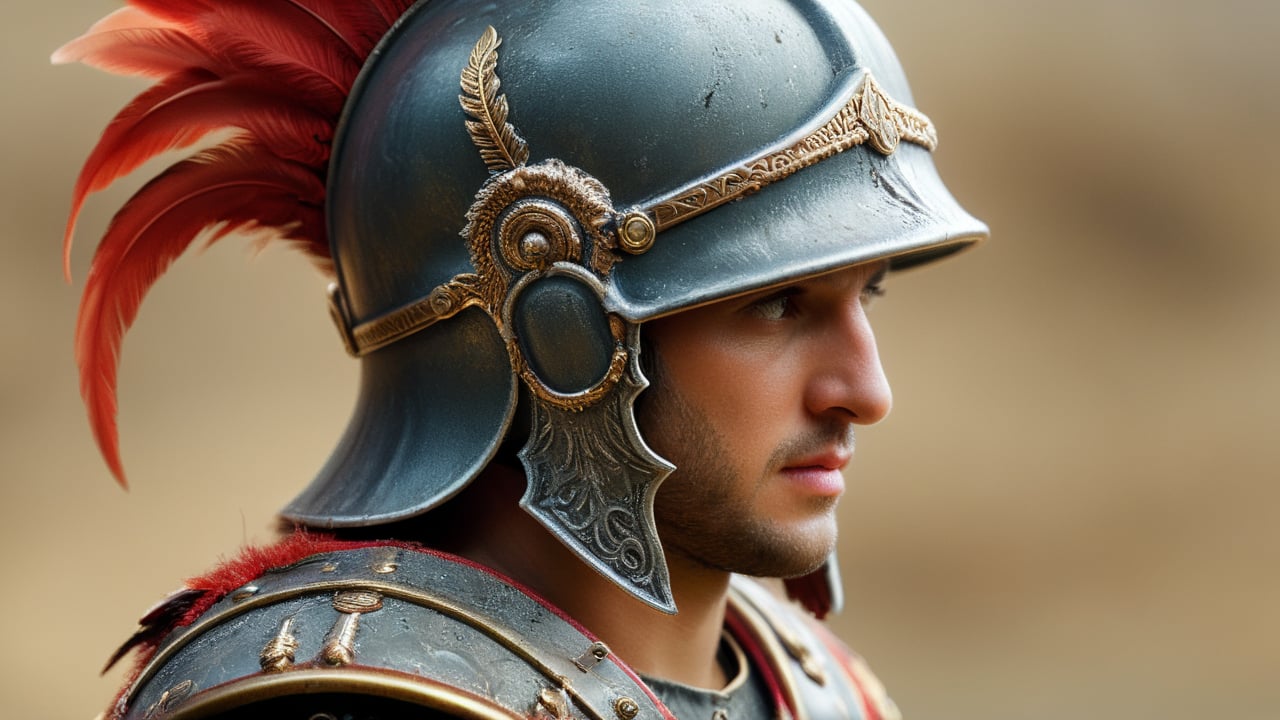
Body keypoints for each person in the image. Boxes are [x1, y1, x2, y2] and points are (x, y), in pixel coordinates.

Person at [57, 0, 987, 718]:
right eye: (776, 303)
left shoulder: (822, 689)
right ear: (561, 337)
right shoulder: (342, 702)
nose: (867, 393)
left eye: (865, 295)